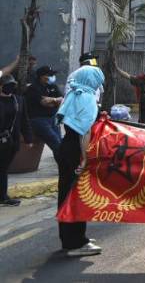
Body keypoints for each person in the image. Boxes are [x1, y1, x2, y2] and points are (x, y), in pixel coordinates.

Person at [54, 65, 104, 256]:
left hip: (66, 146)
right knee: (75, 195)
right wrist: (84, 159)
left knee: (66, 193)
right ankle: (76, 242)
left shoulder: (75, 93)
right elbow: (85, 130)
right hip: (75, 149)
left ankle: (69, 238)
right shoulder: (88, 97)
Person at [1, 75, 34, 207]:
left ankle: (3, 196)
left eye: (12, 85)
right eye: (7, 85)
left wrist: (28, 138)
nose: (11, 87)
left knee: (3, 169)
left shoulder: (18, 100)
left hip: (10, 141)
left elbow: (24, 121)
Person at [24, 66, 63, 157]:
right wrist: (56, 101)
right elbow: (44, 103)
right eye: (49, 75)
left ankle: (63, 168)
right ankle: (65, 167)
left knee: (60, 143)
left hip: (53, 118)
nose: (52, 77)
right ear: (41, 76)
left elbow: (63, 99)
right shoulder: (33, 88)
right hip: (38, 120)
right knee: (56, 142)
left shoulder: (53, 86)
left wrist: (53, 99)